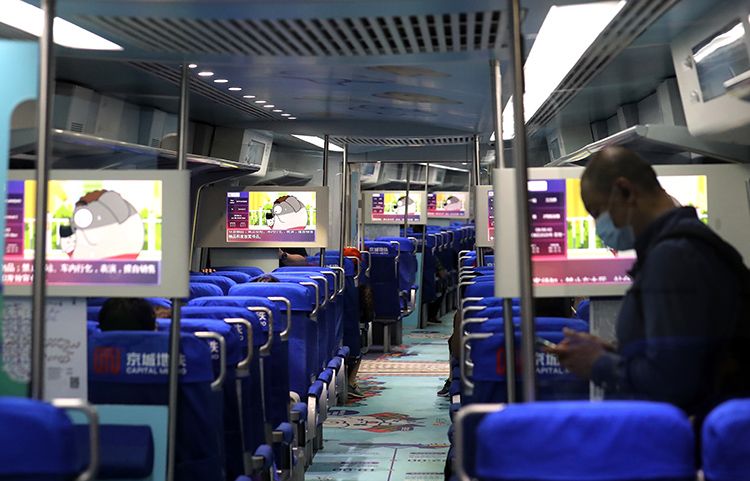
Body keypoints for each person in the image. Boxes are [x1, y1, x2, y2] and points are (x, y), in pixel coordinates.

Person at [547, 146, 748, 421]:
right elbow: (688, 352)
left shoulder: (673, 258)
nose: (598, 226)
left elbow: (673, 384)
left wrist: (599, 363)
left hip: (703, 432)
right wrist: (618, 352)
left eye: (598, 213)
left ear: (625, 191)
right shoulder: (685, 245)